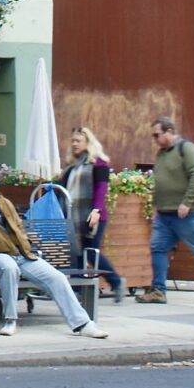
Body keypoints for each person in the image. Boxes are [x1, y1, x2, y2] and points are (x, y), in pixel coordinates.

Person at [0, 172, 109, 339]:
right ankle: (10, 320)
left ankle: (83, 324)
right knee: (9, 268)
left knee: (57, 277)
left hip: (22, 253)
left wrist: (25, 244)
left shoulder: (1, 201)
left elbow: (18, 226)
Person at [135, 116, 194, 306]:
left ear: (169, 132)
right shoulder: (162, 154)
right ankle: (158, 290)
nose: (155, 139)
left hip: (188, 214)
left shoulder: (187, 149)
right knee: (158, 248)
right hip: (165, 214)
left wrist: (187, 202)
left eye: (157, 135)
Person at [61, 126, 125, 301]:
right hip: (73, 217)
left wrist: (96, 210)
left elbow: (101, 189)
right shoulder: (72, 166)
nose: (74, 144)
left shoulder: (99, 163)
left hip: (93, 216)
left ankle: (116, 282)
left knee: (90, 251)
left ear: (88, 143)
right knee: (76, 252)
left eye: (78, 141)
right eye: (73, 141)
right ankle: (79, 289)